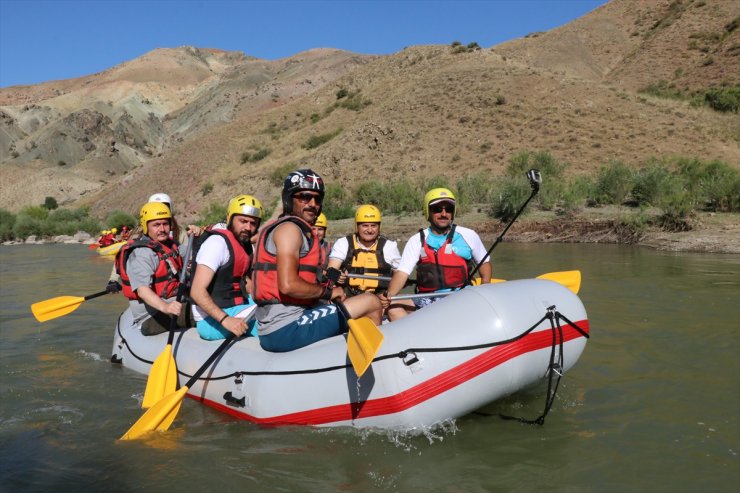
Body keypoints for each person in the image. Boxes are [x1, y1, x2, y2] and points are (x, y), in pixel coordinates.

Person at [251, 169, 382, 352]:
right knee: (371, 302)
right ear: (289, 199)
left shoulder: (292, 229)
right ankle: (378, 361)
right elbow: (288, 285)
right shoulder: (289, 230)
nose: (312, 204)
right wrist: (328, 293)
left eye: (317, 199)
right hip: (286, 327)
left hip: (283, 322)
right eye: (304, 197)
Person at [379, 187, 492, 321]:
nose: (444, 214)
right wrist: (388, 296)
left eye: (448, 209)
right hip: (426, 300)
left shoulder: (468, 235)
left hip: (460, 298)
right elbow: (402, 273)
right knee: (392, 309)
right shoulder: (416, 240)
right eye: (437, 209)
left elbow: (484, 264)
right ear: (428, 212)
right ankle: (418, 340)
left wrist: (484, 291)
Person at [189, 195, 262, 340]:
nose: (248, 227)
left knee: (277, 309)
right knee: (270, 322)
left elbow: (243, 281)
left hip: (235, 306)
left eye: (253, 223)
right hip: (211, 320)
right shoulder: (217, 244)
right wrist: (226, 320)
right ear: (229, 218)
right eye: (242, 221)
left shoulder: (245, 245)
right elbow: (196, 292)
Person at [105, 192, 200, 294]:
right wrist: (113, 279)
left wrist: (198, 239)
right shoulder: (138, 233)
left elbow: (188, 255)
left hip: (173, 284)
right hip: (147, 284)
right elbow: (125, 255)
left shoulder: (180, 232)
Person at [115, 201, 186, 335]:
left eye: (165, 224)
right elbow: (143, 291)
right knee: (199, 312)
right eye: (156, 225)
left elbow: (193, 255)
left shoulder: (171, 245)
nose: (162, 229)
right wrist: (166, 307)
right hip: (151, 317)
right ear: (146, 226)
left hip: (174, 303)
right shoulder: (142, 254)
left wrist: (200, 235)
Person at [326, 204, 401, 295]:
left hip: (379, 298)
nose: (369, 230)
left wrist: (389, 295)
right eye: (365, 225)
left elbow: (400, 275)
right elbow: (331, 269)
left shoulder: (390, 246)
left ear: (379, 227)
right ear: (357, 227)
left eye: (373, 226)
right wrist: (336, 275)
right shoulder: (343, 243)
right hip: (349, 296)